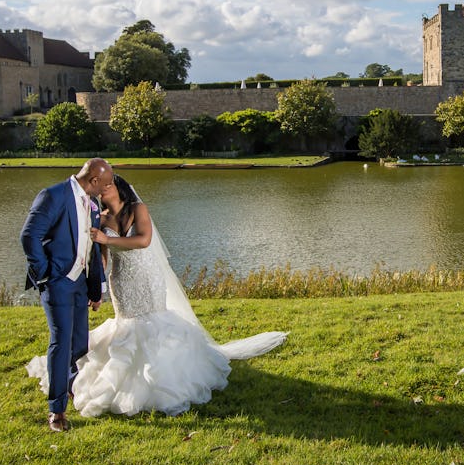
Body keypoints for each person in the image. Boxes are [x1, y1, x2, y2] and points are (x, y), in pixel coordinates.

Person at [27, 174, 287, 418]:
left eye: (109, 185)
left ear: (119, 188)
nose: (104, 190)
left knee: (155, 320)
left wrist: (107, 241)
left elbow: (143, 240)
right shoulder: (101, 219)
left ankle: (162, 375)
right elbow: (101, 259)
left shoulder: (138, 209)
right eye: (101, 186)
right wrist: (97, 288)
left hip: (147, 274)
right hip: (122, 279)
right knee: (127, 324)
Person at [20, 158, 114, 432]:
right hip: (58, 282)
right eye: (105, 184)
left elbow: (92, 249)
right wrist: (46, 273)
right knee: (61, 342)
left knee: (79, 343)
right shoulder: (53, 195)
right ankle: (57, 410)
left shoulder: (94, 204)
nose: (108, 189)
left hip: (81, 284)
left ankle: (68, 380)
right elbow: (29, 236)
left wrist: (96, 289)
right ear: (93, 180)